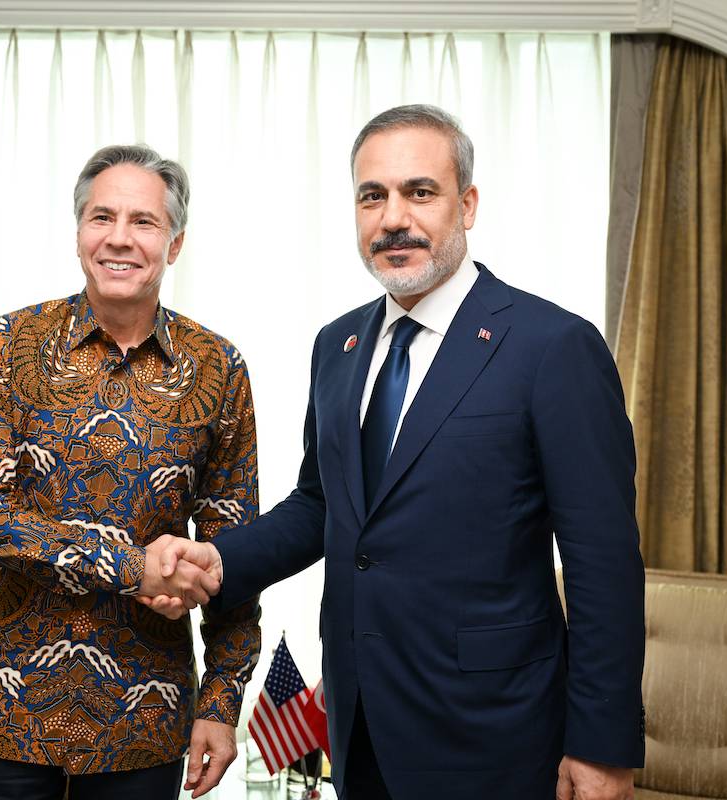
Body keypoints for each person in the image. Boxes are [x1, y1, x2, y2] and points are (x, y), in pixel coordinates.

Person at [143, 105, 646, 800]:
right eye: (372, 196)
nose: (392, 218)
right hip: (361, 724)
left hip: (497, 733)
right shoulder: (337, 346)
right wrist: (221, 561)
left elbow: (604, 563)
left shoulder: (553, 347)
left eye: (420, 192)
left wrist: (603, 747)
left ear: (466, 205)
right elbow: (325, 504)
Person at [0, 144, 262, 800]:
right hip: (3, 704)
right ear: (78, 232)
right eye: (100, 217)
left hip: (144, 714)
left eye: (143, 221)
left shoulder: (218, 369)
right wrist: (131, 566)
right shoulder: (9, 344)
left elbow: (234, 551)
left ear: (174, 244)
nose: (119, 238)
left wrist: (221, 703)